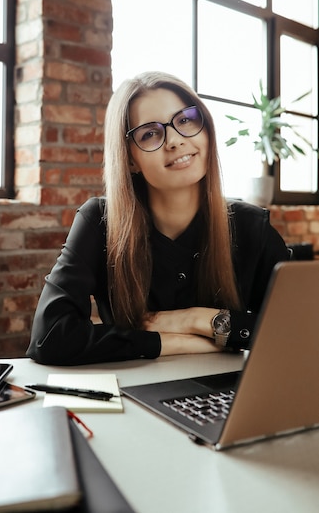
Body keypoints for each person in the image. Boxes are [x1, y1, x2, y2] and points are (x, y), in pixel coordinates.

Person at [27, 71, 289, 365]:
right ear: (129, 159)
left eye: (185, 119)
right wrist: (170, 342)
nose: (175, 140)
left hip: (231, 400)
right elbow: (49, 338)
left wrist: (195, 320)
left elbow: (297, 332)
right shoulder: (100, 221)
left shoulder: (252, 227)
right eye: (150, 133)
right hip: (134, 397)